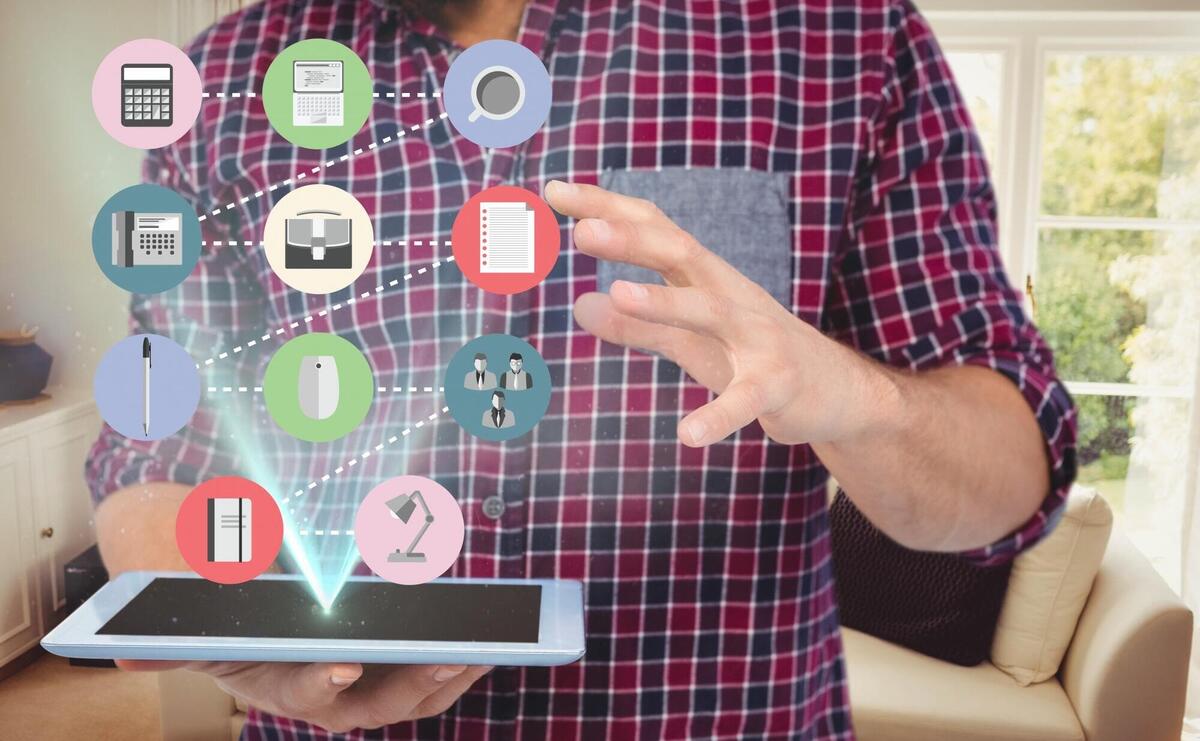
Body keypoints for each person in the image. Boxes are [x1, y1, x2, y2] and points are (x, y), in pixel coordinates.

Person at [88, 1, 1078, 739]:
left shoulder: (837, 35)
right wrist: (226, 629)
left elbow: (1007, 477)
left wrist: (849, 396)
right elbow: (152, 463)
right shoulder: (218, 84)